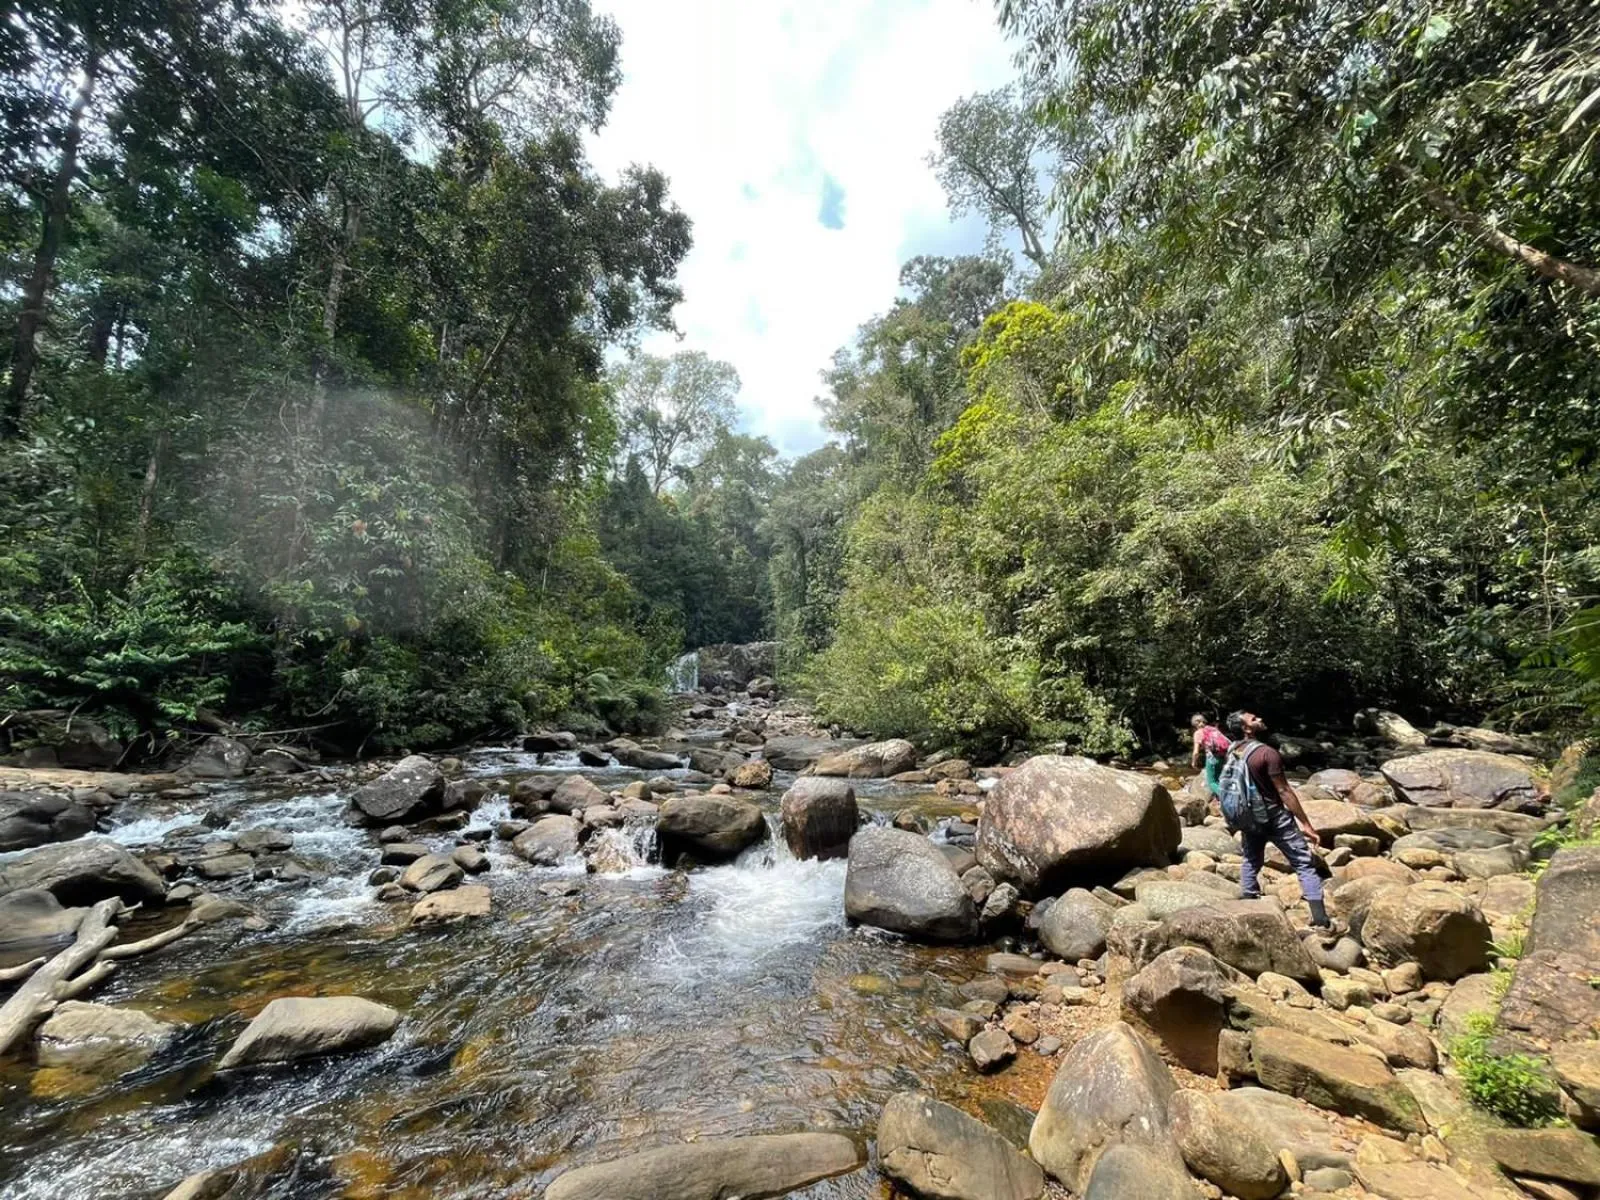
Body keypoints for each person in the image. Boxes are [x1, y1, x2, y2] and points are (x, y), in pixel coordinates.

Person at [1224, 710, 1333, 929]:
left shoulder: (1233, 750)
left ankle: (1248, 908)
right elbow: (1284, 791)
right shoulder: (1267, 753)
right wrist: (1306, 824)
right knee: (1303, 863)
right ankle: (1321, 922)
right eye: (1254, 719)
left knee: (1251, 859)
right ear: (1246, 728)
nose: (1260, 719)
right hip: (1274, 816)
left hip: (1248, 816)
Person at [1189, 713, 1230, 799]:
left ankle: (1227, 797)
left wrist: (1193, 762)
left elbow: (1196, 752)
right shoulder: (1213, 729)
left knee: (1211, 782)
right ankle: (1220, 797)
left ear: (1194, 724)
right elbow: (1226, 741)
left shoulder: (1198, 733)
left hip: (1212, 758)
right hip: (1223, 757)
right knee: (1219, 778)